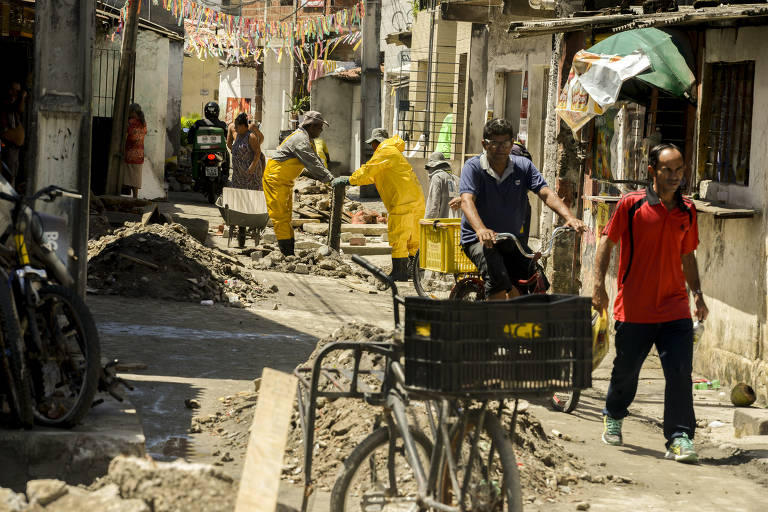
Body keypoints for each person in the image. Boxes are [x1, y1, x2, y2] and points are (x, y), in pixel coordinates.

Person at [592, 143, 708, 464]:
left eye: (680, 169)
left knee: (680, 373)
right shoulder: (631, 205)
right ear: (652, 171)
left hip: (674, 308)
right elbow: (606, 240)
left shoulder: (687, 211)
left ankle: (680, 437)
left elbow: (688, 254)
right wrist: (598, 285)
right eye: (668, 170)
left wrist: (697, 294)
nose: (675, 176)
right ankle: (614, 414)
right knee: (627, 371)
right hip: (635, 308)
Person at [459, 118, 585, 300]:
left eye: (506, 143)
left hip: (510, 240)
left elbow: (546, 193)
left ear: (512, 144)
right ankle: (493, 327)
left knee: (533, 275)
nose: (501, 148)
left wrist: (570, 218)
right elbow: (466, 201)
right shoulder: (473, 168)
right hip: (478, 239)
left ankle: (522, 318)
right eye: (495, 143)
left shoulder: (523, 166)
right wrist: (481, 229)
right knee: (497, 279)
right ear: (484, 145)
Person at [332, 128, 426, 281]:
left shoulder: (385, 151)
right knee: (413, 237)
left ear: (377, 142)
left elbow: (367, 171)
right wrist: (353, 180)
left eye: (373, 144)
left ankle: (399, 273)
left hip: (402, 201)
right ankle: (415, 273)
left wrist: (349, 180)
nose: (372, 147)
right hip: (416, 200)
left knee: (399, 236)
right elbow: (372, 177)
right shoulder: (394, 153)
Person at [262, 110, 333, 256]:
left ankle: (289, 253)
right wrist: (330, 180)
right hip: (275, 179)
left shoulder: (306, 139)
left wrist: (327, 177)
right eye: (320, 127)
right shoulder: (300, 139)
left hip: (284, 181)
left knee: (286, 217)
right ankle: (287, 254)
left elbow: (316, 162)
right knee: (280, 217)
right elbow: (312, 162)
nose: (321, 130)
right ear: (311, 126)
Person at [227, 113, 264, 247]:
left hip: (250, 175)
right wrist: (238, 158)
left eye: (237, 126)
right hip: (238, 175)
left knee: (250, 200)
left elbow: (258, 153)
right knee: (239, 201)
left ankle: (252, 225)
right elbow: (230, 145)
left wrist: (252, 166)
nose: (235, 128)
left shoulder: (251, 136)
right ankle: (241, 228)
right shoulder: (237, 134)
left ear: (244, 126)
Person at [0, 80, 26, 185]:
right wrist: (22, 98)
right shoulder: (5, 105)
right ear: (9, 91)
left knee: (12, 176)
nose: (15, 94)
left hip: (14, 149)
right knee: (7, 178)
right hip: (6, 147)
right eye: (14, 91)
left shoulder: (13, 107)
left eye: (18, 92)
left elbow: (20, 110)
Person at [424, 151, 461, 219]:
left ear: (433, 167)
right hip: (456, 226)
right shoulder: (457, 179)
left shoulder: (437, 178)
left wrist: (426, 222)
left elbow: (433, 207)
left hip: (441, 226)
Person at [123, 103, 147, 199]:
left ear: (132, 112)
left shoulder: (130, 122)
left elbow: (125, 136)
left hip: (130, 152)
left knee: (127, 175)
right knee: (136, 177)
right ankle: (135, 197)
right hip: (140, 154)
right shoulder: (143, 123)